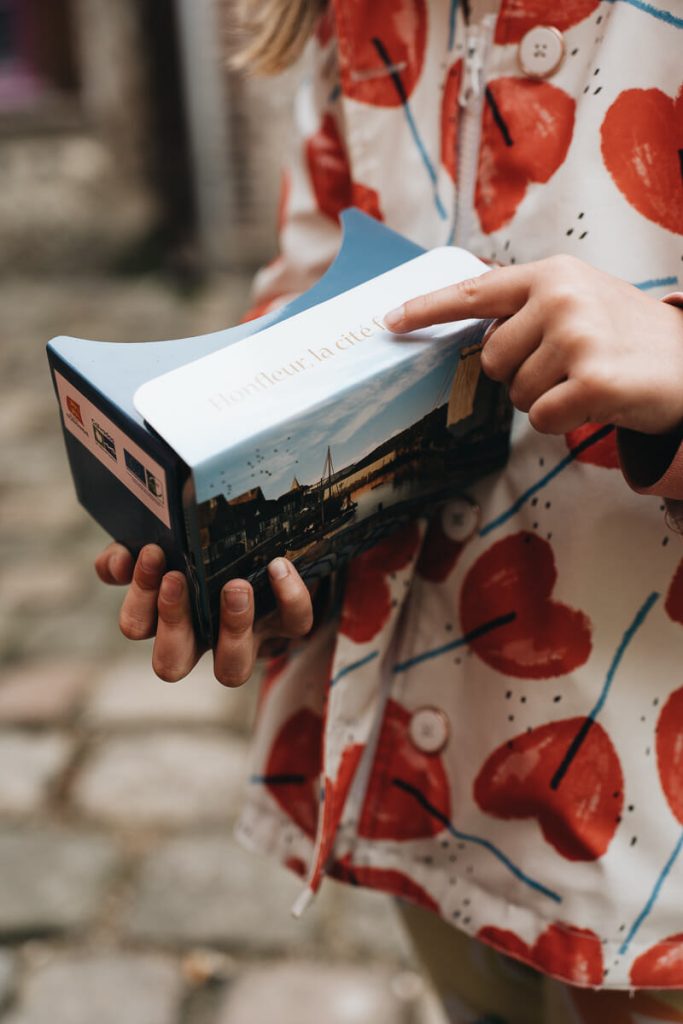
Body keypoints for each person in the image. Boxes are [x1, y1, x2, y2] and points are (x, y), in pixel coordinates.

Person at [96, 1, 683, 1019]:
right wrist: (271, 555)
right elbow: (307, 297)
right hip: (440, 805)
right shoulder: (359, 14)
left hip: (655, 859)